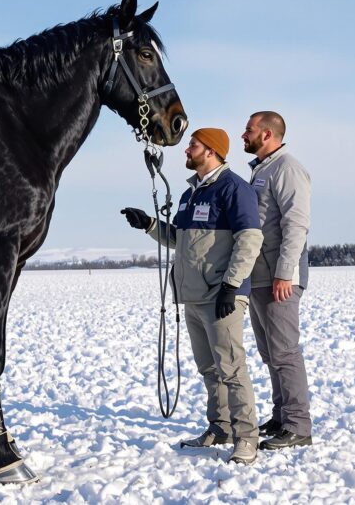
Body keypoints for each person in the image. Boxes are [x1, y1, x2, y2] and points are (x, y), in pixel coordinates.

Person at [122, 128, 263, 464]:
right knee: (209, 369)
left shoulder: (233, 189)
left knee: (231, 368)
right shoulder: (190, 194)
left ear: (211, 151)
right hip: (193, 295)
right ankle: (220, 427)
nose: (187, 149)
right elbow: (180, 238)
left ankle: (246, 438)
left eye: (193, 145)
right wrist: (149, 224)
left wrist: (231, 286)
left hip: (222, 295)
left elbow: (250, 239)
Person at [241, 111, 313, 450]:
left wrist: (286, 272)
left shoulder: (288, 169)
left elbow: (296, 225)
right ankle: (281, 415)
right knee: (269, 352)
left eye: (249, 129)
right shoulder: (261, 169)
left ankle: (298, 425)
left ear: (267, 134)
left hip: (278, 277)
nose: (244, 134)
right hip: (259, 276)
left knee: (284, 352)